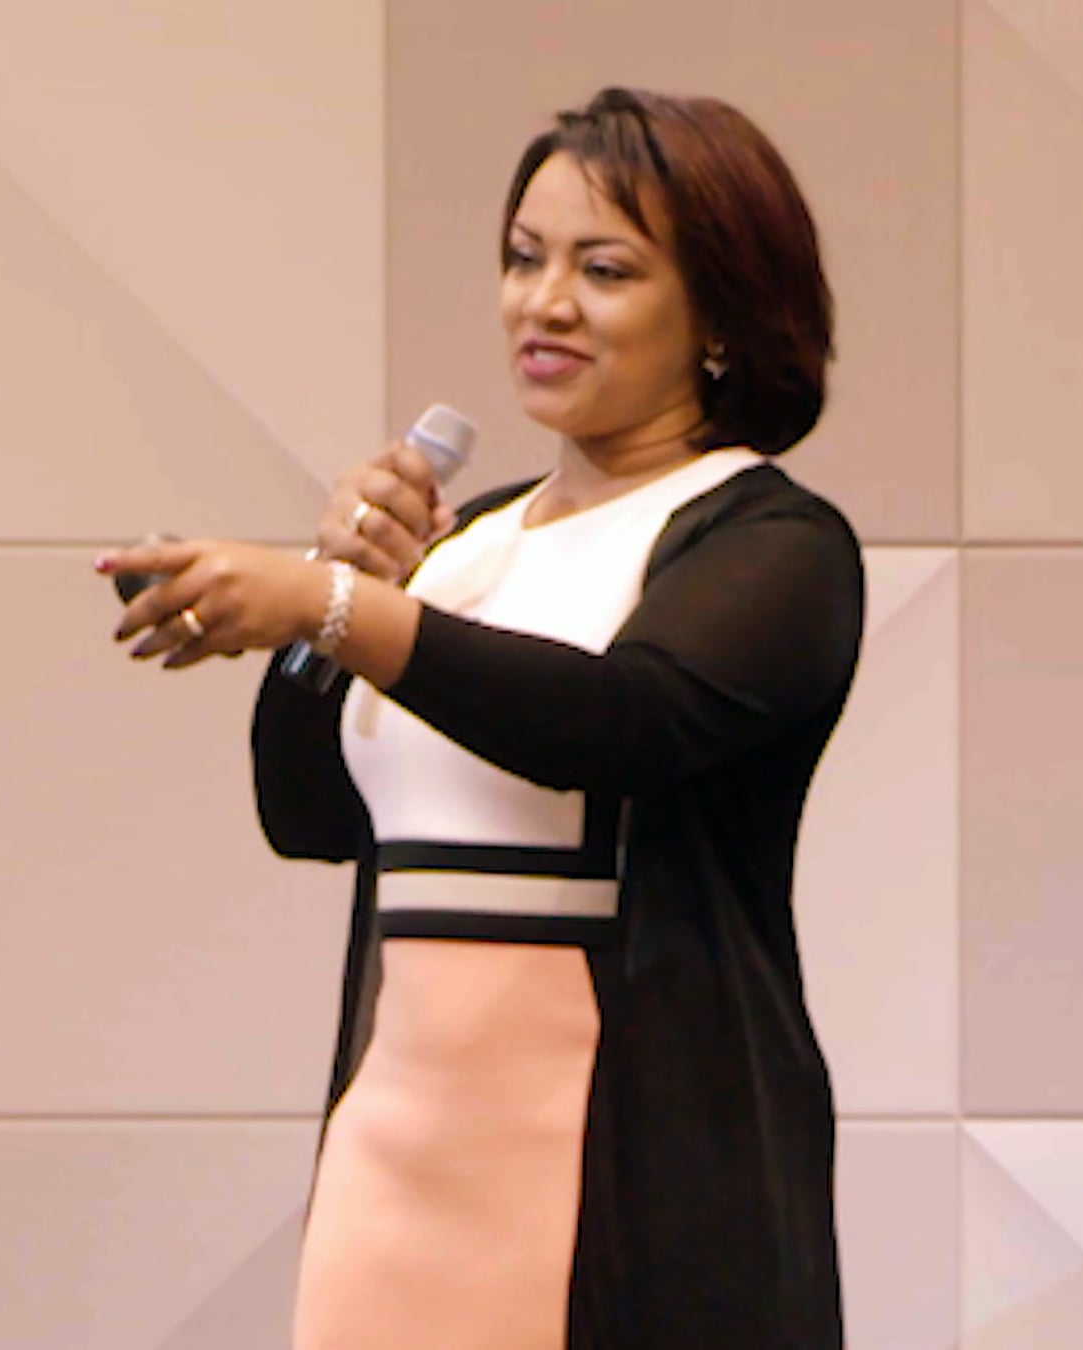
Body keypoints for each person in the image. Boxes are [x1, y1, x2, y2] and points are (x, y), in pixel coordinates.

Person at [102, 87, 863, 1348]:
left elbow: (619, 724)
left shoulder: (773, 541)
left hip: (636, 1179)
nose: (543, 303)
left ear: (722, 313)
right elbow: (307, 814)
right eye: (523, 258)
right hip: (398, 1166)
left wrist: (331, 606)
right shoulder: (463, 541)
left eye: (603, 270)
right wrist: (333, 598)